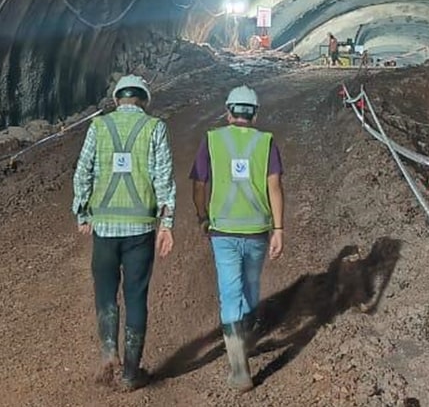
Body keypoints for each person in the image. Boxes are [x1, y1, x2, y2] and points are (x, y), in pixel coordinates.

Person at [72, 74, 176, 390]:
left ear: (117, 99)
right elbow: (164, 179)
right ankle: (131, 373)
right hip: (141, 229)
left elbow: (82, 171)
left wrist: (82, 213)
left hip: (104, 228)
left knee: (105, 291)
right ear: (144, 100)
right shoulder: (154, 128)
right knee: (135, 296)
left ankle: (108, 351)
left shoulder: (98, 127)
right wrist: (167, 225)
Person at [191, 85, 285, 391]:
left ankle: (238, 365)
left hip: (223, 231)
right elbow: (274, 188)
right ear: (255, 115)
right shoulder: (266, 142)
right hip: (257, 230)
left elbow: (199, 184)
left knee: (230, 293)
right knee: (251, 285)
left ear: (228, 112)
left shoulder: (212, 140)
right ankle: (246, 333)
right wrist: (279, 229)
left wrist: (202, 217)